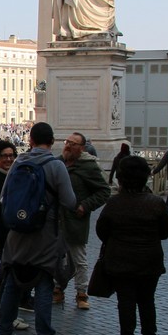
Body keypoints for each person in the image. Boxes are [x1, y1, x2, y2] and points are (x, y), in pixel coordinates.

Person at [0, 122, 77, 335]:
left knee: (12, 279)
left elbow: (4, 197)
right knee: (43, 282)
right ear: (52, 142)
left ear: (30, 140)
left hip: (17, 234)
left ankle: (3, 332)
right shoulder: (55, 165)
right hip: (44, 235)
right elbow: (69, 201)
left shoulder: (18, 163)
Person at [95, 156, 168, 335]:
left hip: (120, 259)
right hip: (150, 259)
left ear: (121, 178)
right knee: (147, 301)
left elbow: (101, 231)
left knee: (126, 302)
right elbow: (166, 231)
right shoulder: (156, 203)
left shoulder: (114, 203)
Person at [59, 132, 111, 310]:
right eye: (67, 142)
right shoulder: (58, 163)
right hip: (56, 218)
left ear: (81, 148)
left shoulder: (88, 166)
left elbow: (104, 191)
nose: (68, 146)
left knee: (79, 258)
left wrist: (85, 206)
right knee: (54, 256)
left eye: (73, 144)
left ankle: (81, 292)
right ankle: (57, 289)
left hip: (75, 218)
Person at [0, 140, 27, 331]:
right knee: (7, 273)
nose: (9, 159)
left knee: (8, 272)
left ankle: (6, 313)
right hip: (2, 233)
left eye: (11, 155)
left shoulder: (7, 175)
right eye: (4, 156)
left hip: (7, 232)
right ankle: (4, 315)